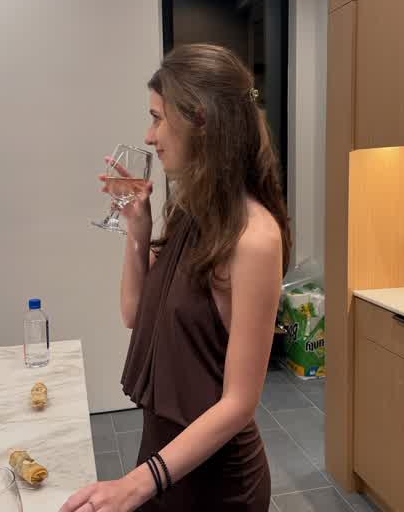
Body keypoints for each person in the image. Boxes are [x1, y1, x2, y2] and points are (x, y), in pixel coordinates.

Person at [60, 43, 291, 512]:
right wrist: (137, 230)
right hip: (165, 459)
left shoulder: (255, 238)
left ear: (199, 120)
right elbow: (133, 313)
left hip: (218, 484)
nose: (149, 136)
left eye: (157, 118)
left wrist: (137, 484)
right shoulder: (191, 213)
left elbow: (240, 402)